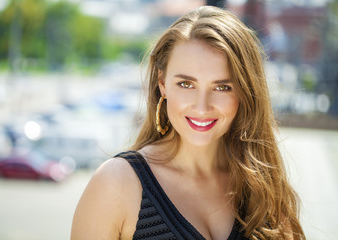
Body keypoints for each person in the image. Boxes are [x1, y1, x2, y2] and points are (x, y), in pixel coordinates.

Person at [71, 6, 305, 240]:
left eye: (222, 87)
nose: (202, 107)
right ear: (162, 83)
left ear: (245, 91)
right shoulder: (116, 183)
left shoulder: (263, 190)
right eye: (186, 84)